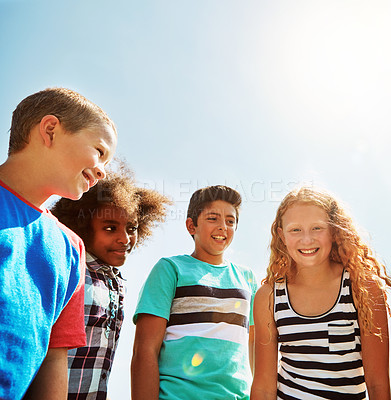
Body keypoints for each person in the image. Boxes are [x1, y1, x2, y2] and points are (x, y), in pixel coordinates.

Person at [0, 87, 117, 400]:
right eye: (100, 151)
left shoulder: (71, 249)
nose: (102, 170)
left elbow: (54, 356)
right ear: (50, 130)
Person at [250, 186, 391, 400]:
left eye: (317, 228)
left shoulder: (363, 288)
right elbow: (263, 387)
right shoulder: (269, 296)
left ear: (335, 231)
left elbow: (378, 383)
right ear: (281, 234)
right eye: (295, 229)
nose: (307, 239)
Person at [50, 162, 171, 399]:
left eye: (132, 228)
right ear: (83, 226)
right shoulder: (70, 269)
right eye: (110, 228)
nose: (124, 238)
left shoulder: (116, 281)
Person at [131, 185, 258, 400]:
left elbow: (256, 350)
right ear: (191, 225)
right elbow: (144, 350)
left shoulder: (247, 279)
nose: (223, 227)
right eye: (213, 218)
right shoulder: (170, 269)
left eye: (230, 221)